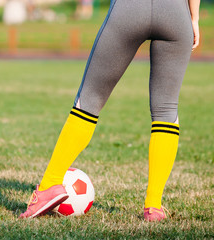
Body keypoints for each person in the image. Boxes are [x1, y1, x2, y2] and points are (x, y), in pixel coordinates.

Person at [20, 0, 200, 221]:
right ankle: (154, 206)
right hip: (175, 13)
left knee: (88, 101)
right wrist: (194, 18)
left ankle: (49, 185)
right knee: (166, 110)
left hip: (130, 10)